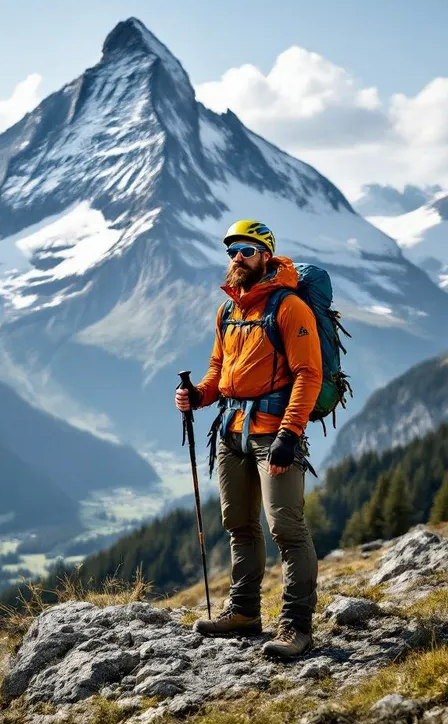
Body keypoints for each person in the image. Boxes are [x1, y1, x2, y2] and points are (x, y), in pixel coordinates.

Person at [175, 219, 322, 660]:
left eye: (246, 249)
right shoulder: (228, 311)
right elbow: (219, 374)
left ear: (265, 254)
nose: (236, 257)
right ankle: (243, 614)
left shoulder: (289, 307)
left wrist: (290, 433)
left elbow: (308, 373)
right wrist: (197, 395)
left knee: (287, 528)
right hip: (231, 432)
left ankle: (297, 627)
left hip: (275, 434)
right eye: (231, 251)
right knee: (239, 524)